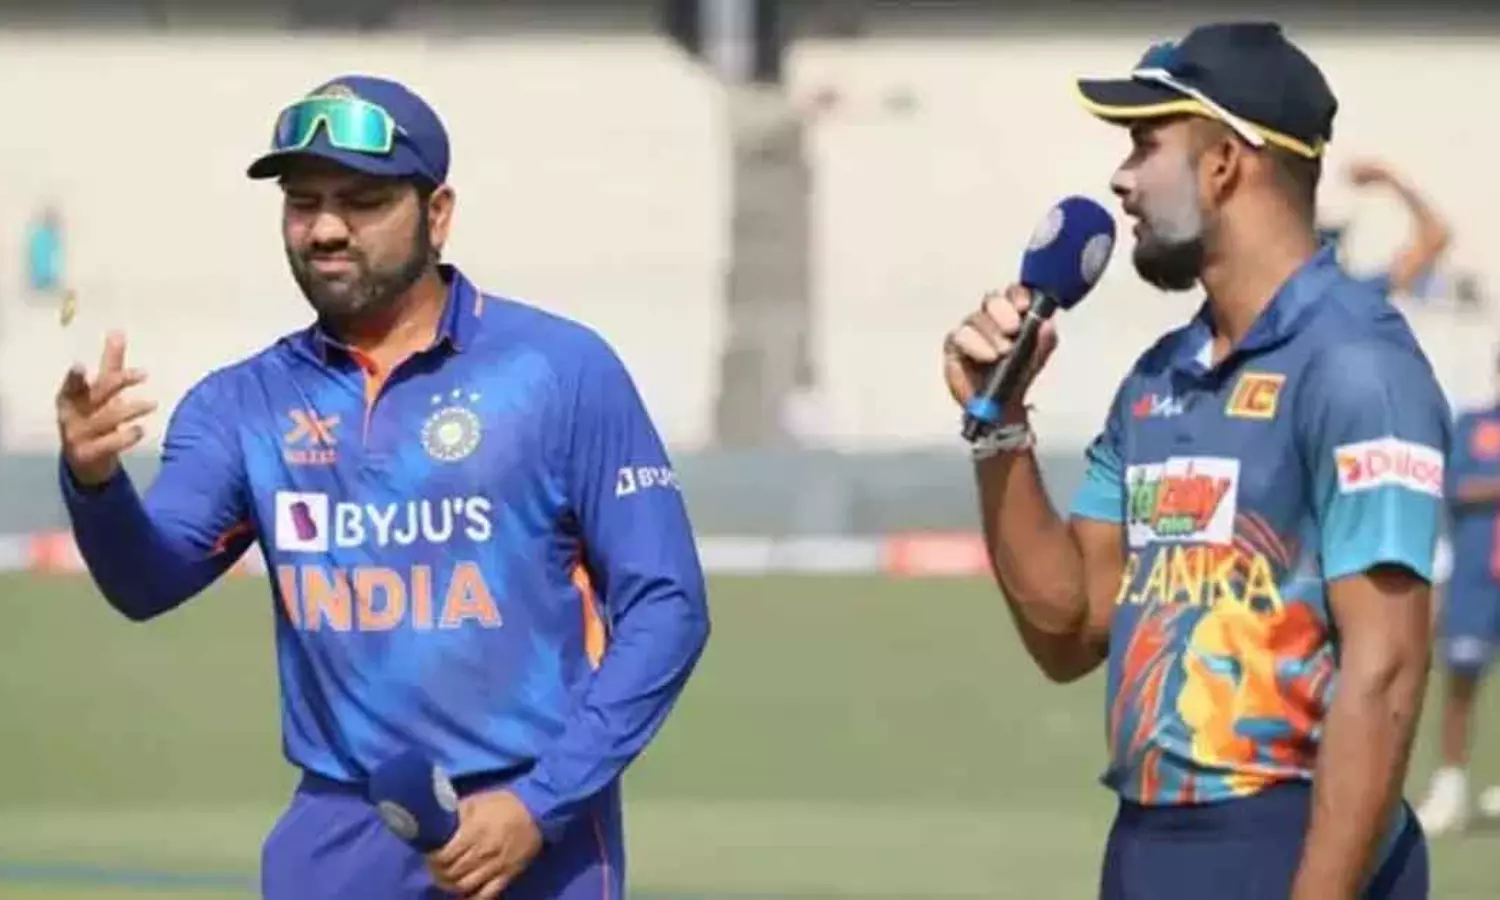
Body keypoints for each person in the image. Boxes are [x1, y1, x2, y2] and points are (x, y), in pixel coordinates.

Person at [54, 75, 711, 900]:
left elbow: (667, 606)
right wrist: (95, 482)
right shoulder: (242, 405)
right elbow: (145, 582)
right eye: (303, 203)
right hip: (337, 836)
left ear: (437, 213)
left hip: (534, 825)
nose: (326, 229)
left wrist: (542, 803)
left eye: (362, 202)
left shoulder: (559, 369)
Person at [943, 23, 1441, 899]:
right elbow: (1069, 629)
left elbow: (1387, 670)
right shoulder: (1157, 379)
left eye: (1145, 144)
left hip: (1294, 835)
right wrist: (1000, 427)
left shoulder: (1359, 368)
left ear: (1222, 164)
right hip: (1148, 845)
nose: (1120, 179)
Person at [1413, 351, 1500, 835]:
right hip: (1477, 578)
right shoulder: (1474, 424)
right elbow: (1453, 486)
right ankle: (1450, 787)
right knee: (1461, 683)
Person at [1319, 158, 1453, 301]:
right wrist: (1388, 179)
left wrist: (1389, 179)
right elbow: (1436, 236)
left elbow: (1436, 237)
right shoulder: (1357, 292)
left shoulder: (1364, 291)